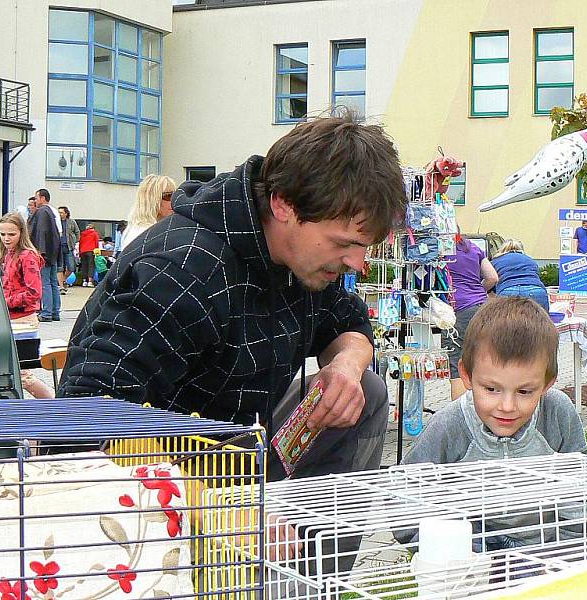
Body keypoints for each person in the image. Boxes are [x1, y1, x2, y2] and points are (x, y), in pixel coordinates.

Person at [59, 112, 408, 485]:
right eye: (345, 244)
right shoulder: (181, 271)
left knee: (363, 393)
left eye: (364, 247)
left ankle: (303, 537)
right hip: (154, 481)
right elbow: (86, 414)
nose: (357, 264)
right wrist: (219, 510)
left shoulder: (301, 258)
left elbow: (348, 322)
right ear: (284, 205)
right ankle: (265, 533)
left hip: (239, 456)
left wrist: (348, 366)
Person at [399, 297, 587, 551]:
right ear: (466, 376)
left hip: (541, 549)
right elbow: (404, 495)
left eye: (524, 392)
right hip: (467, 555)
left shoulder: (558, 414)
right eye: (491, 389)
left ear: (547, 383)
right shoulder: (449, 424)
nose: (507, 406)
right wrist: (436, 548)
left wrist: (569, 554)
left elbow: (579, 492)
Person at [0, 212, 54, 399]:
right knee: (16, 372)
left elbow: (34, 293)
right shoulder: (7, 255)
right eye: (2, 233)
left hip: (24, 320)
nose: (6, 238)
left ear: (22, 233)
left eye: (11, 234)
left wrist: (5, 301)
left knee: (22, 373)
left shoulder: (27, 256)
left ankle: (54, 401)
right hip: (13, 319)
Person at [443, 230, 498, 400]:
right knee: (485, 359)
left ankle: (460, 418)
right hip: (482, 308)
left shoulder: (439, 251)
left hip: (458, 311)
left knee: (456, 363)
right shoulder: (473, 248)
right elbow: (493, 277)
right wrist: (477, 293)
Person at [28, 188, 61, 322]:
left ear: (42, 198)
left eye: (36, 198)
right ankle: (55, 312)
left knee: (45, 283)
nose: (35, 201)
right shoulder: (52, 212)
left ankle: (47, 312)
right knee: (53, 282)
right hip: (53, 253)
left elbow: (41, 232)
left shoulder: (41, 212)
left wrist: (40, 252)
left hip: (44, 254)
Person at [120, 175, 177, 251]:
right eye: (168, 196)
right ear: (152, 200)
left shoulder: (162, 229)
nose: (174, 200)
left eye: (175, 196)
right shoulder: (141, 233)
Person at [491, 239, 549, 311]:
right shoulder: (530, 260)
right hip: (536, 290)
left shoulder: (495, 261)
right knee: (541, 320)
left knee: (506, 321)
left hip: (508, 290)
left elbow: (491, 280)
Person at [57, 206, 80, 293]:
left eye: (61, 212)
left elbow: (77, 232)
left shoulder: (71, 222)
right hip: (58, 248)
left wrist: (75, 241)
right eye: (59, 212)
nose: (60, 214)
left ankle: (63, 281)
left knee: (71, 267)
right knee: (60, 268)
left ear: (66, 213)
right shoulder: (56, 222)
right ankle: (62, 286)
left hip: (69, 247)